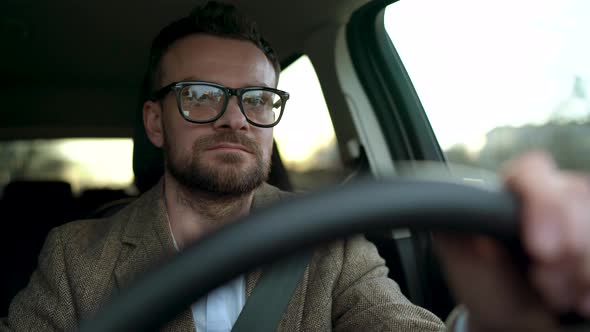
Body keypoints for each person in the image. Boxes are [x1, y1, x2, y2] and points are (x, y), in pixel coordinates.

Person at [1, 2, 589, 332]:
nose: (235, 119)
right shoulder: (75, 256)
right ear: (156, 123)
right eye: (202, 96)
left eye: (257, 100)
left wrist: (499, 320)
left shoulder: (329, 242)